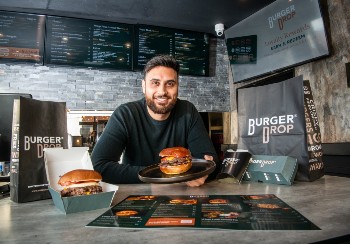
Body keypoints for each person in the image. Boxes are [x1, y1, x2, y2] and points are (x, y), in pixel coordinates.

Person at [91, 55, 218, 187]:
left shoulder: (188, 111)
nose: (162, 91)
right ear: (144, 86)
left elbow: (210, 160)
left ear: (177, 87)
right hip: (136, 195)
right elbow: (99, 166)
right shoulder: (125, 114)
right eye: (155, 83)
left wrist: (202, 172)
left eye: (170, 84)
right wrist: (158, 175)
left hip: (178, 195)